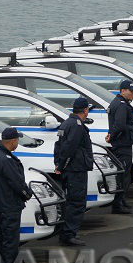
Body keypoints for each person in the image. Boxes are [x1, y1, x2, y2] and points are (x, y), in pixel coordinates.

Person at [0, 128, 32, 263]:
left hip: (3, 204)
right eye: (17, 140)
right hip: (10, 205)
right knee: (10, 241)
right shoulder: (6, 160)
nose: (18, 143)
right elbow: (16, 182)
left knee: (4, 240)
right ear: (13, 141)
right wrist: (27, 194)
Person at [54, 97, 93, 242]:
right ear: (85, 110)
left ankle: (68, 232)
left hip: (70, 169)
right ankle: (69, 234)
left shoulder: (66, 123)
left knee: (71, 201)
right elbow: (69, 147)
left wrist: (58, 164)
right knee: (76, 202)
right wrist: (62, 164)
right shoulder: (76, 125)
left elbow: (58, 146)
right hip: (75, 169)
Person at [107, 80, 133, 213]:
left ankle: (121, 200)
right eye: (131, 91)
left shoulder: (120, 103)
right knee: (123, 175)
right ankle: (117, 204)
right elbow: (119, 125)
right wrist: (112, 137)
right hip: (122, 143)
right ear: (123, 90)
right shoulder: (121, 105)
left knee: (125, 173)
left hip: (122, 142)